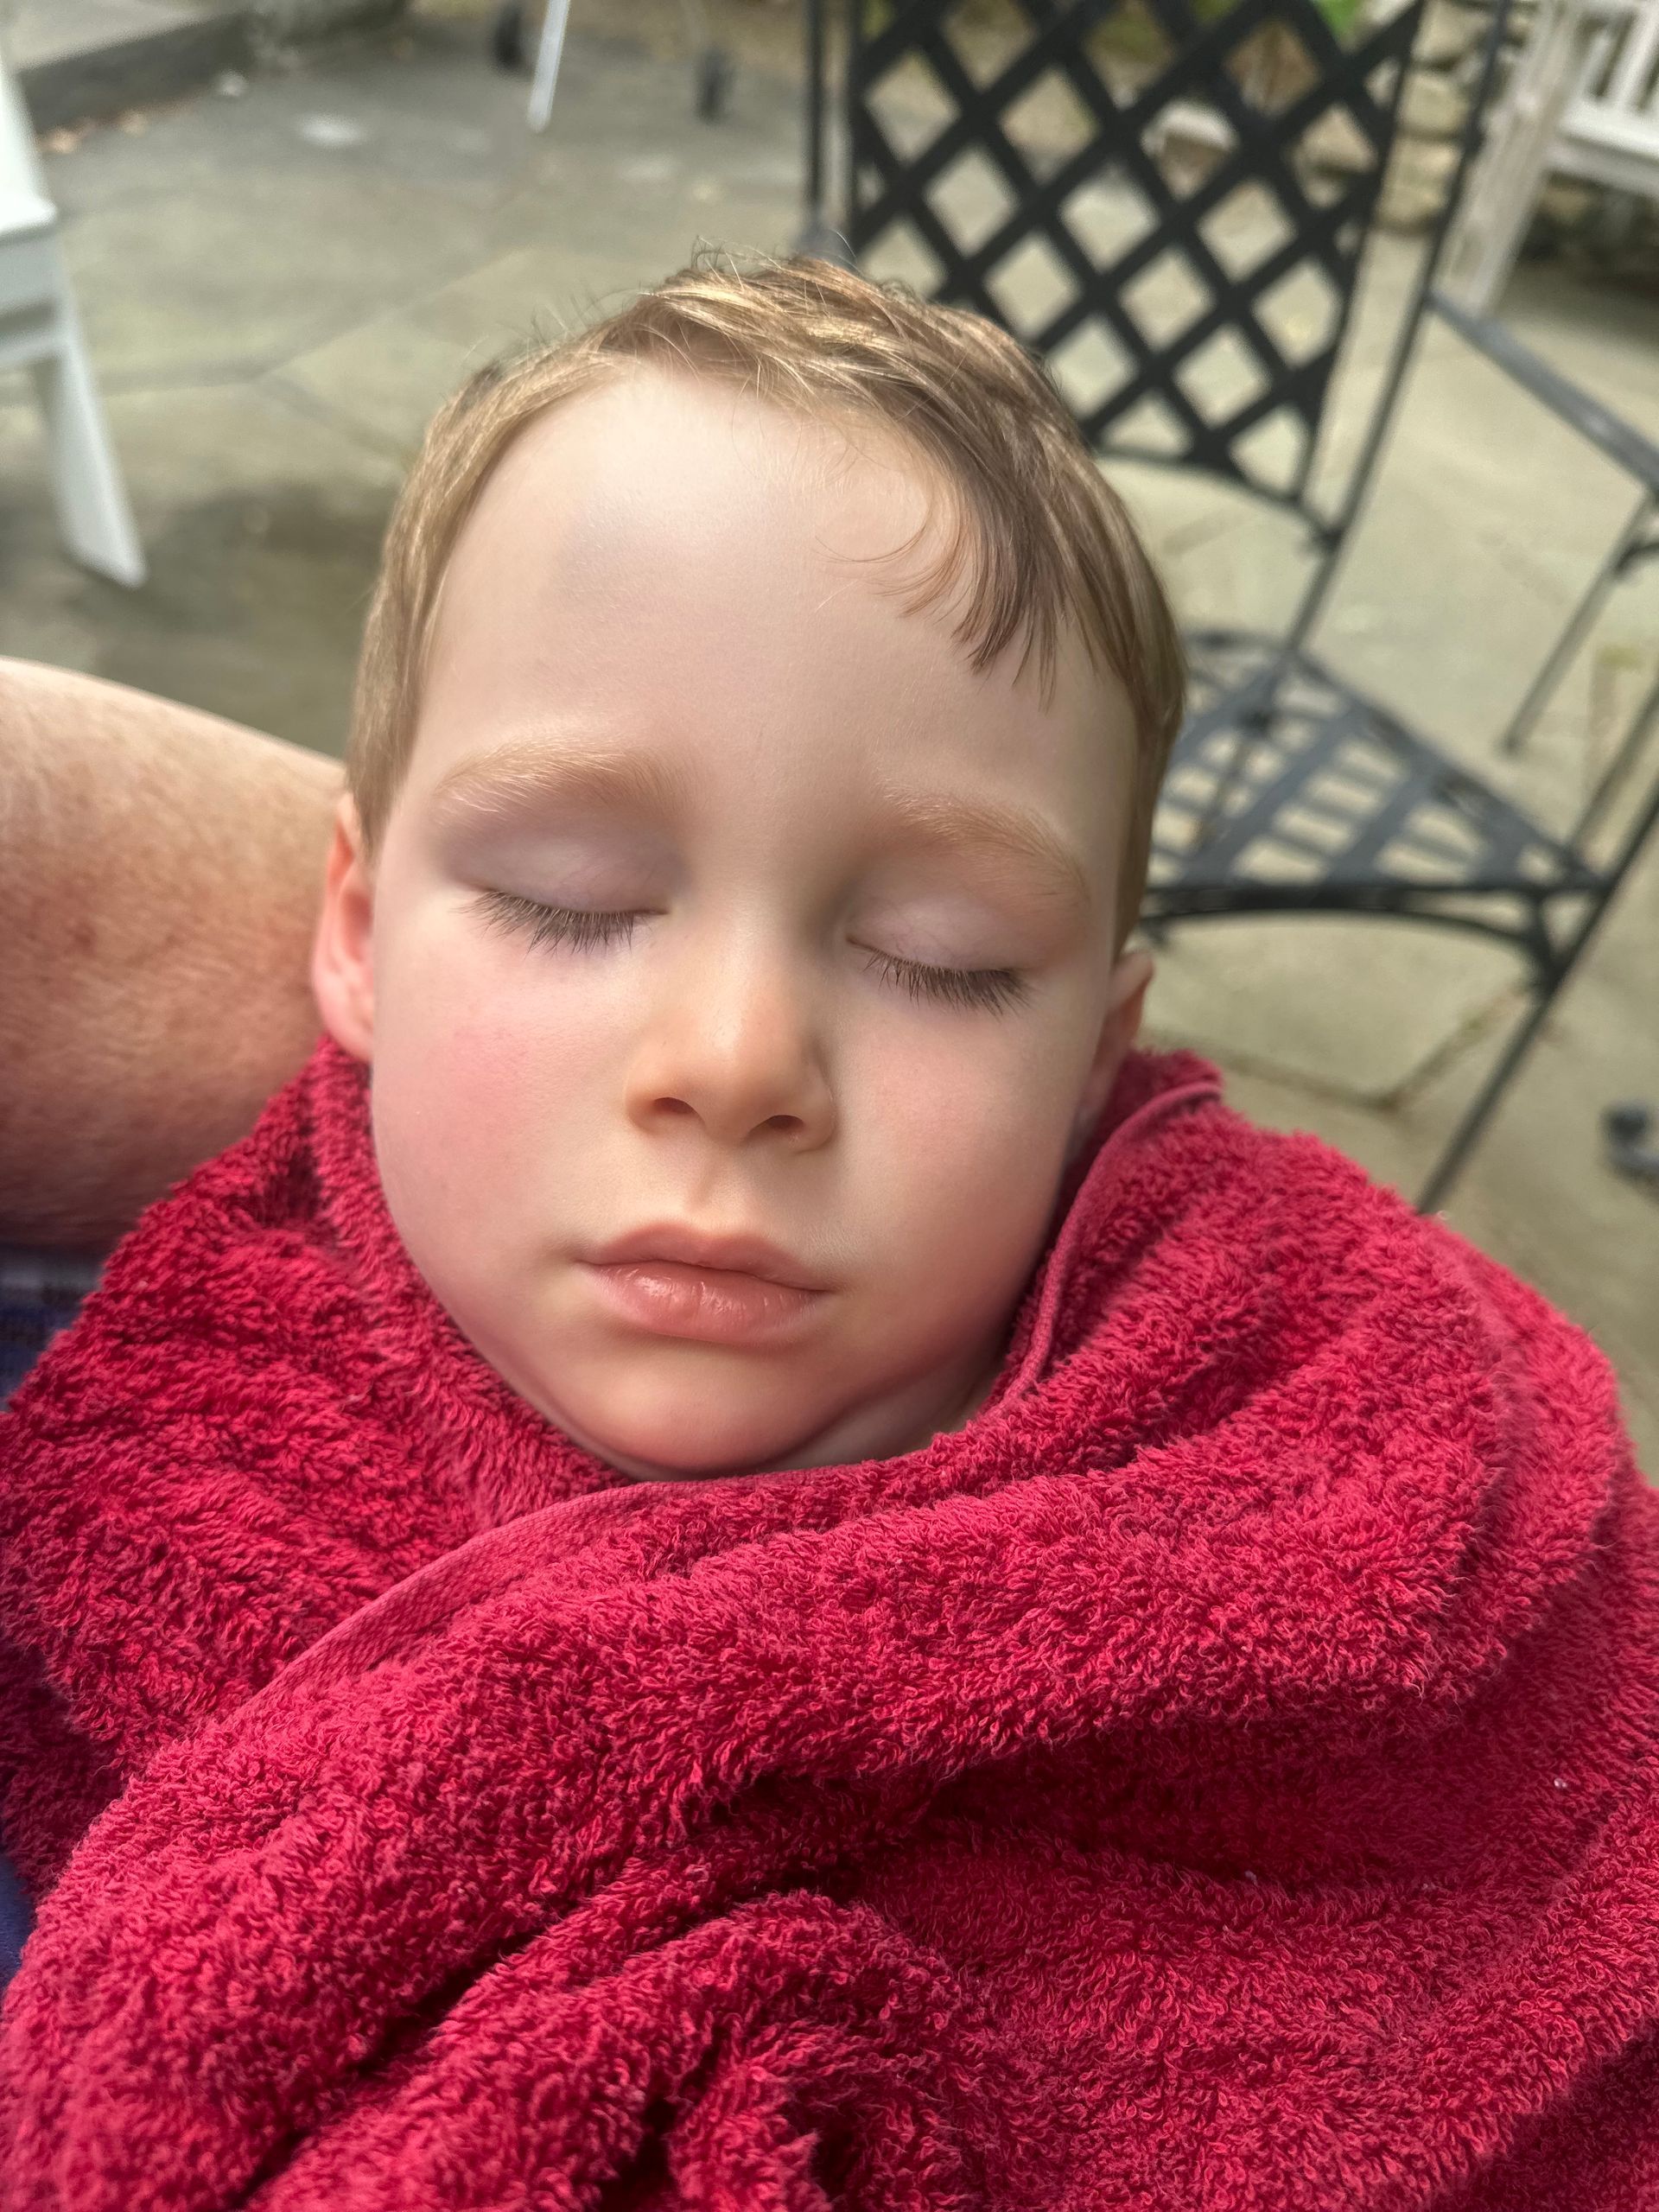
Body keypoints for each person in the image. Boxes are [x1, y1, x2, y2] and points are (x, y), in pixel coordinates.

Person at [0, 255, 1655, 2209]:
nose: (736, 1059)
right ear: (355, 930)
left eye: (940, 961)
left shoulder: (1341, 1444)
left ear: (1098, 1052)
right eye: (569, 892)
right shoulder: (148, 1448)